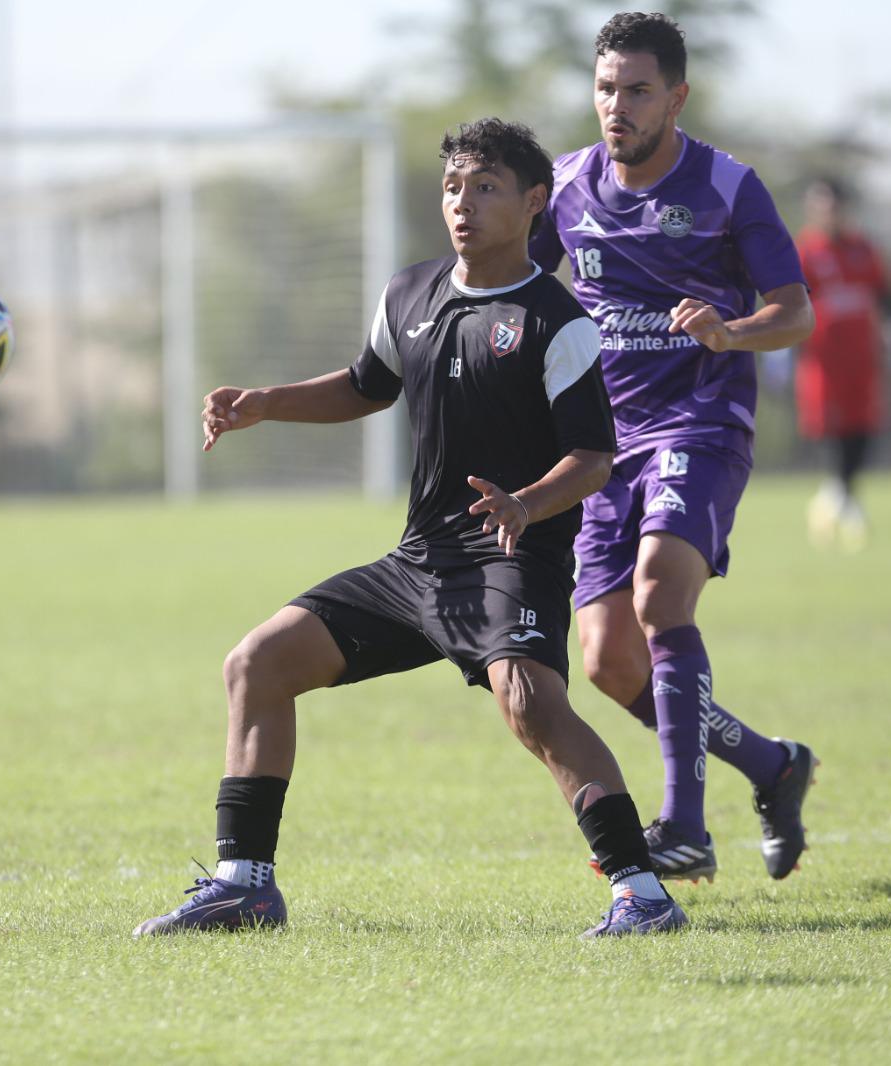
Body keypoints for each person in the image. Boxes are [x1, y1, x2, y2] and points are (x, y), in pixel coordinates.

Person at [134, 118, 687, 940]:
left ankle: (642, 894)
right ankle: (243, 884)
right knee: (257, 662)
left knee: (531, 702)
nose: (462, 203)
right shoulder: (410, 293)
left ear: (534, 203)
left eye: (486, 187)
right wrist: (266, 403)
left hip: (510, 554)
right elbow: (366, 385)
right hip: (419, 562)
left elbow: (594, 459)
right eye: (453, 186)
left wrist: (527, 504)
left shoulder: (556, 320)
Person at [528, 12, 818, 884]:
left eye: (639, 91)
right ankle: (772, 766)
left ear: (677, 97)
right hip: (601, 449)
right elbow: (529, 291)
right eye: (607, 89)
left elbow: (795, 311)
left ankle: (683, 829)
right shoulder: (566, 186)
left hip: (699, 426)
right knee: (607, 660)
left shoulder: (730, 187)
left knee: (660, 597)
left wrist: (730, 334)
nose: (618, 106)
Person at [794, 176, 891, 551]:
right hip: (822, 365)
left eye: (833, 205)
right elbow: (784, 302)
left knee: (863, 433)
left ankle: (833, 500)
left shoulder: (863, 250)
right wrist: (782, 352)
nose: (827, 212)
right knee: (833, 437)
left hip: (863, 362)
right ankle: (849, 508)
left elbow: (886, 296)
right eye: (820, 205)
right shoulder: (804, 252)